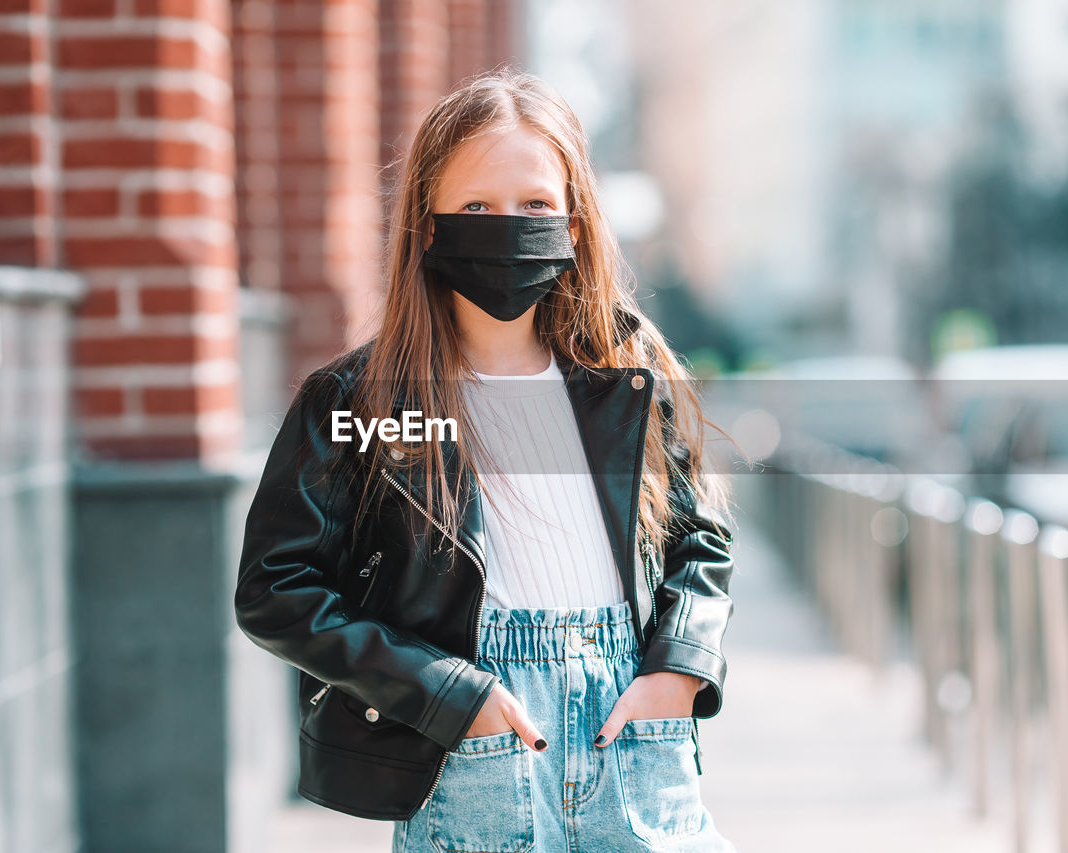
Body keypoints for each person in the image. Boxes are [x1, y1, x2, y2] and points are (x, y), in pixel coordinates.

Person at [234, 68, 741, 852]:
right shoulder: (363, 402)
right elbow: (277, 587)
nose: (509, 225)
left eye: (535, 203)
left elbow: (699, 540)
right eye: (477, 206)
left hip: (635, 732)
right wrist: (441, 691)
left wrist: (678, 667)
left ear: (574, 223)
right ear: (429, 226)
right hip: (475, 742)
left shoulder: (627, 374)